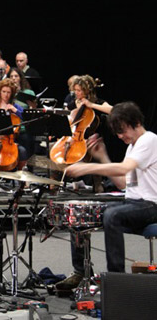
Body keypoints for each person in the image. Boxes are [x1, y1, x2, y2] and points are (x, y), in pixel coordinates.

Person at [59, 102, 156, 291]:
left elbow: (124, 168)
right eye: (117, 133)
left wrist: (86, 167)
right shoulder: (133, 146)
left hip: (151, 205)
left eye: (122, 131)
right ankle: (81, 272)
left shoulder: (149, 140)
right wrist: (103, 157)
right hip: (132, 202)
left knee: (113, 215)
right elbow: (123, 183)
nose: (120, 136)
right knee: (80, 212)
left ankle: (116, 279)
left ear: (136, 123)